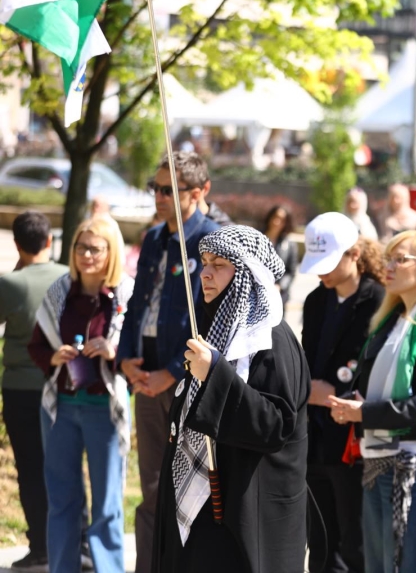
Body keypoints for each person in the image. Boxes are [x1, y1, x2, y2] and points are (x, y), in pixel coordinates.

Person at [152, 225, 310, 572]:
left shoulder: (273, 340)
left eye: (219, 264)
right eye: (204, 262)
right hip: (207, 517)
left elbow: (274, 425)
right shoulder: (216, 333)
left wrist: (216, 374)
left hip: (246, 516)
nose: (205, 272)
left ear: (248, 274)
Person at [328, 230, 416, 573]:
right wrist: (352, 404)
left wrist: (365, 413)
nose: (389, 266)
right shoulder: (389, 319)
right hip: (379, 461)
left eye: (401, 259)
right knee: (381, 566)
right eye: (389, 258)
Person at [118, 152, 219, 573]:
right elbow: (138, 305)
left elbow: (215, 324)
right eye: (155, 189)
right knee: (153, 490)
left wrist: (173, 373)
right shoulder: (154, 238)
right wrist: (126, 359)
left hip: (186, 382)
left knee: (188, 488)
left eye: (168, 190)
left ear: (199, 192)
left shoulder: (211, 243)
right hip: (146, 376)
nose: (159, 197)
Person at [28, 216, 135, 573]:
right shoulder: (59, 291)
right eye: (80, 247)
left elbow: (138, 356)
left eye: (96, 248)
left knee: (107, 507)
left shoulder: (125, 295)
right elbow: (36, 345)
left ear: (111, 252)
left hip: (105, 410)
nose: (87, 255)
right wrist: (53, 357)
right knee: (62, 501)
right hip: (60, 410)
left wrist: (111, 353)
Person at [300, 213, 386, 573]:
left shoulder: (378, 300)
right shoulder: (316, 300)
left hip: (354, 439)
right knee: (319, 542)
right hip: (315, 434)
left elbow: (379, 366)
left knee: (355, 542)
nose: (323, 274)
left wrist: (336, 392)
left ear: (354, 253)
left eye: (329, 263)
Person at [0, 212, 69, 569]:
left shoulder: (11, 284)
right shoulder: (68, 276)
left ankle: (40, 547)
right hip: (65, 384)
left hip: (21, 388)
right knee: (65, 465)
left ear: (17, 244)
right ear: (49, 241)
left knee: (29, 468)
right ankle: (76, 543)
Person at [261, 205, 298, 312]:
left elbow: (291, 272)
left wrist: (280, 286)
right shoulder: (256, 237)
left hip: (277, 295)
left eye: (282, 220)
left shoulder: (289, 244)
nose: (276, 222)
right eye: (275, 217)